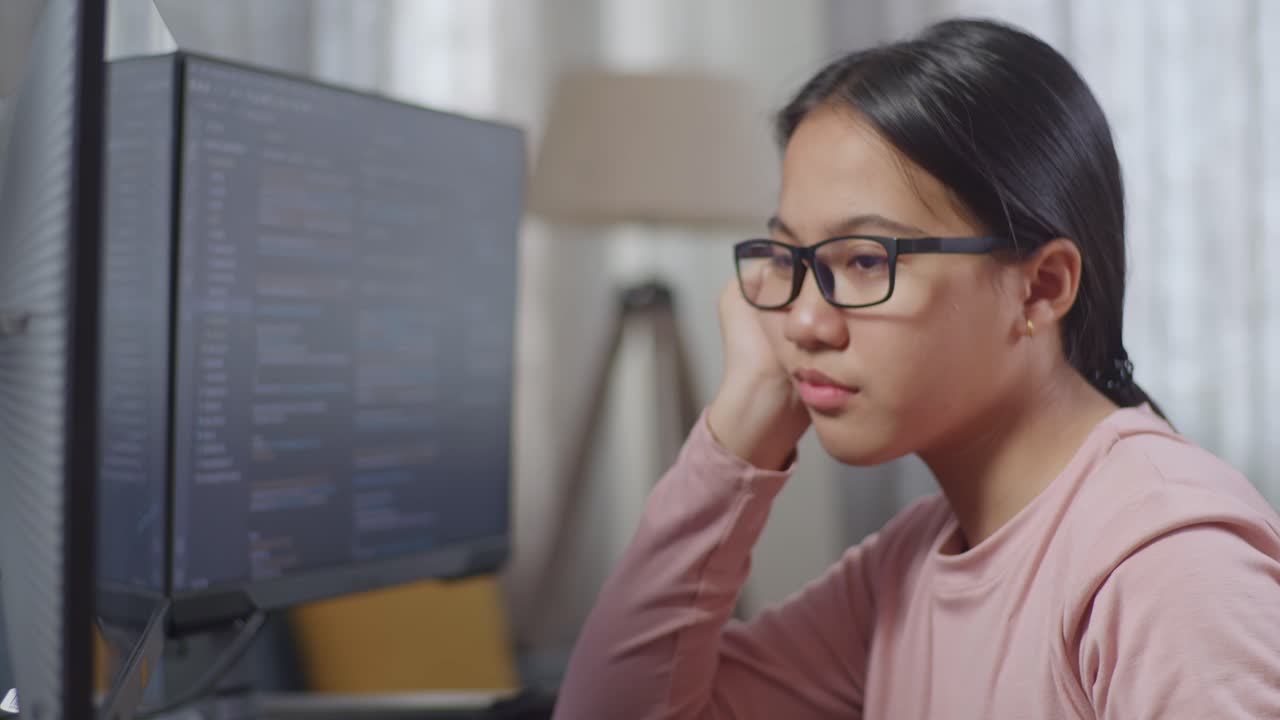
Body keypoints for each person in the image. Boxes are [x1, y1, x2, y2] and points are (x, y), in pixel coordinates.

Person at [552, 18, 1280, 720]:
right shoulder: (910, 563)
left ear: (1042, 287)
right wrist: (743, 423)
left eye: (866, 260)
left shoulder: (1168, 570)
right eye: (789, 258)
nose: (803, 322)